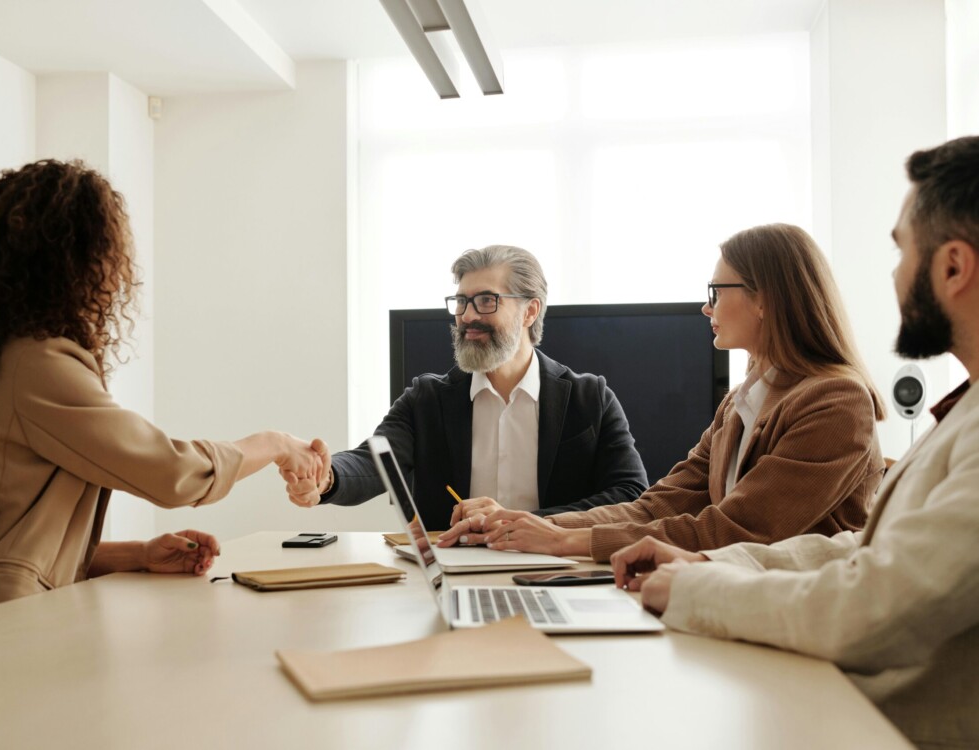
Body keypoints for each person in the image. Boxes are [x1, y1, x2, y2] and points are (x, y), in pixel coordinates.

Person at [610, 136, 979, 749]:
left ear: (953, 267)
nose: (893, 275)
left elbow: (878, 605)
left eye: (901, 252)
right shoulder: (963, 410)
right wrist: (710, 565)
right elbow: (861, 550)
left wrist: (702, 588)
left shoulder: (844, 401)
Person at [0, 159, 328, 608]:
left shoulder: (5, 355)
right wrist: (275, 443)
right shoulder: (35, 363)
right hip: (3, 623)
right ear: (75, 259)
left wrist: (138, 554)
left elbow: (13, 538)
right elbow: (172, 472)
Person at [440, 225, 886, 562]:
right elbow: (657, 505)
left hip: (796, 625)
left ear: (765, 299)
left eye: (716, 291)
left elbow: (739, 529)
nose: (706, 306)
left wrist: (567, 540)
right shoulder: (740, 403)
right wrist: (532, 526)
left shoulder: (836, 402)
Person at [308, 245, 648, 530]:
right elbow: (371, 464)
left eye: (486, 301)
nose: (467, 316)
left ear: (530, 311)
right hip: (453, 571)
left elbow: (630, 493)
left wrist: (522, 522)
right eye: (461, 302)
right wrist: (325, 476)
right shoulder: (426, 400)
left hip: (556, 568)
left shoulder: (590, 399)